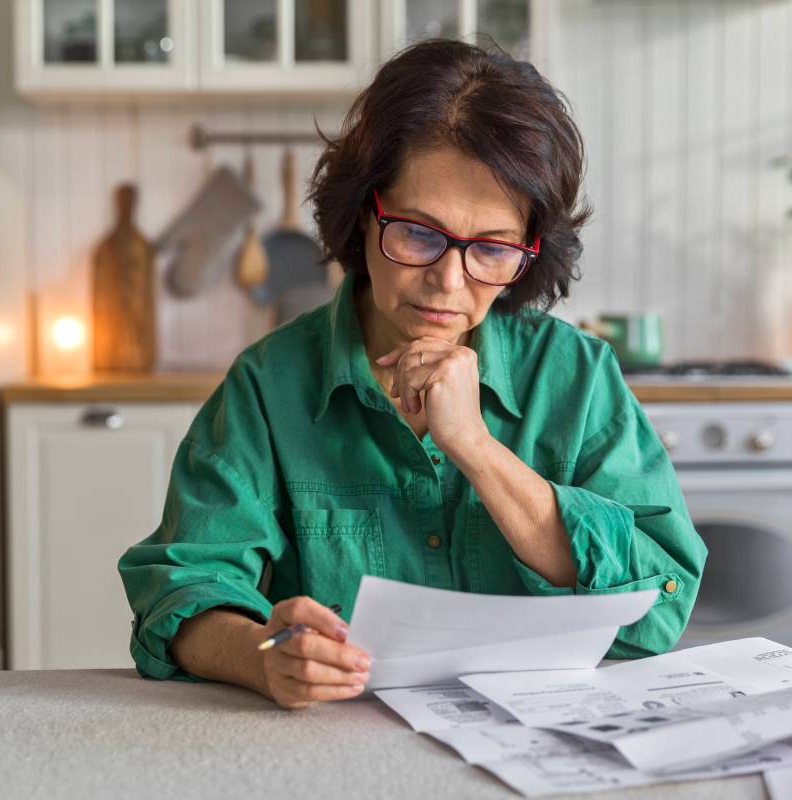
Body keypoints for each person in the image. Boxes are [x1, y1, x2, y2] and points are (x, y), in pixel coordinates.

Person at [118, 38, 707, 710]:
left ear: (529, 250)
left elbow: (659, 607)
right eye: (418, 234)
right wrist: (264, 658)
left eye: (490, 248)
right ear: (364, 214)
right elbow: (182, 591)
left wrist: (478, 451)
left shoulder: (574, 376)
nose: (448, 283)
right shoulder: (269, 383)